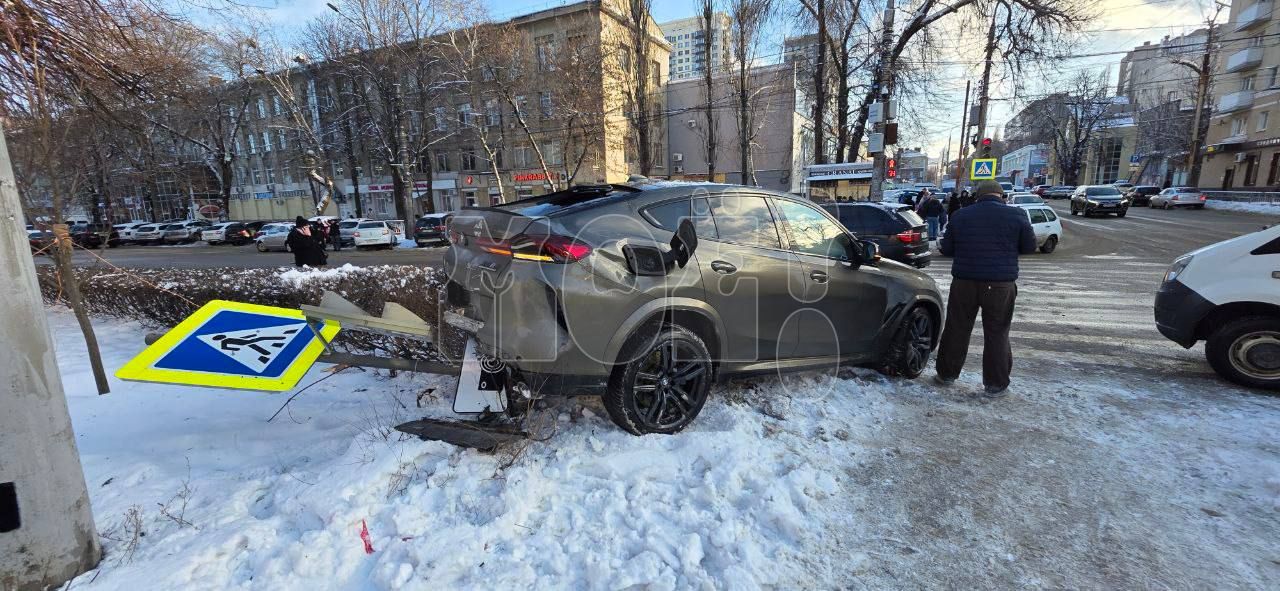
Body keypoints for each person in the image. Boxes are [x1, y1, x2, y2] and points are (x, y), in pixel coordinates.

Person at [934, 179, 1037, 397]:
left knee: (957, 329)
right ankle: (995, 384)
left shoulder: (961, 215)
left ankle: (946, 374)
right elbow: (1029, 246)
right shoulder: (1017, 214)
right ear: (1002, 196)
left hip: (964, 283)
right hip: (1000, 284)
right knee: (997, 333)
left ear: (977, 196)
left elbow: (947, 248)